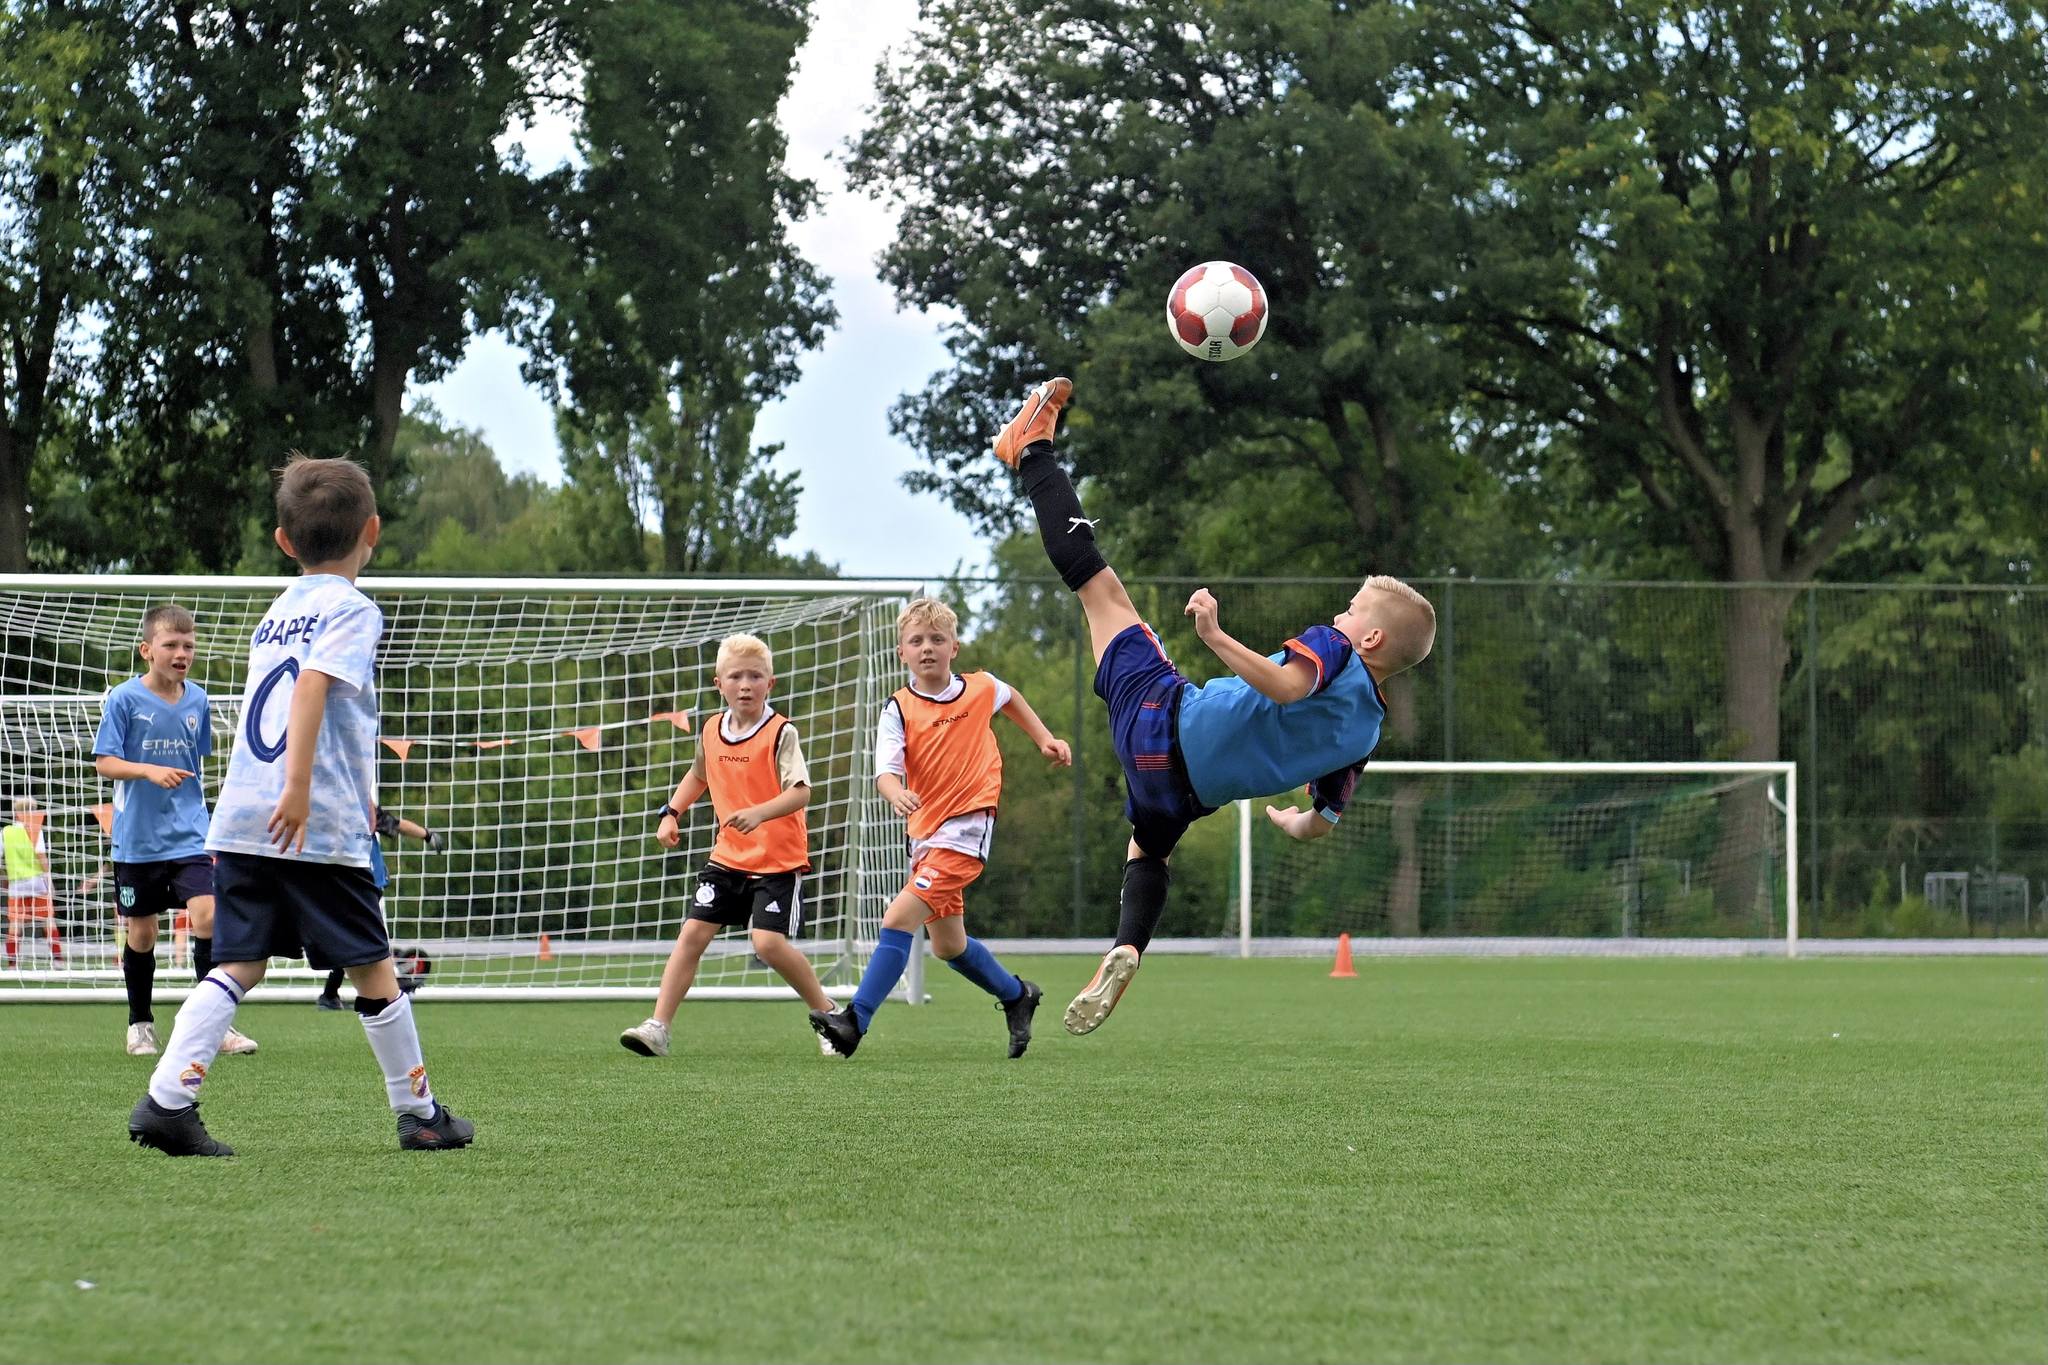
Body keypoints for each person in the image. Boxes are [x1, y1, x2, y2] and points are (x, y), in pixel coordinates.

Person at [993, 377, 1437, 1034]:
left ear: (1369, 636)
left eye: (1350, 610)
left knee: (1100, 588)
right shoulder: (1367, 732)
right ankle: (1126, 947)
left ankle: (1032, 451)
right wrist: (1289, 821)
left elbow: (1288, 686)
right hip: (1185, 794)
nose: (1340, 615)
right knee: (1147, 851)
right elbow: (1323, 822)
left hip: (1164, 720)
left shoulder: (1336, 650)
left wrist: (1215, 635)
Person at [127, 453, 472, 1157]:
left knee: (239, 963)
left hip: (243, 819)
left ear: (285, 542)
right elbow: (312, 686)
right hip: (313, 822)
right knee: (373, 963)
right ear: (371, 530)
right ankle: (419, 1112)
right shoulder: (353, 608)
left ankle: (167, 1100)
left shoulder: (274, 613)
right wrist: (299, 786)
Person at [807, 597, 1071, 1059]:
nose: (926, 647)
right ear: (901, 652)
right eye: (916, 641)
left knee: (896, 919)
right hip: (926, 836)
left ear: (955, 647)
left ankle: (854, 1022)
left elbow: (1012, 699)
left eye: (936, 639)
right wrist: (895, 794)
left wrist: (1045, 738)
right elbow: (885, 772)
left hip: (968, 827)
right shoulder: (899, 708)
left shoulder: (980, 688)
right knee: (949, 945)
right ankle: (1016, 996)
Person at [620, 634, 839, 1058]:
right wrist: (671, 813)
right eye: (735, 676)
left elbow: (801, 793)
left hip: (777, 861)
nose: (745, 685)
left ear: (769, 684)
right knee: (692, 935)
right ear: (718, 683)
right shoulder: (710, 730)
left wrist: (759, 813)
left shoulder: (781, 733)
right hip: (727, 858)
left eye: (755, 676)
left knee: (768, 945)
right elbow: (699, 775)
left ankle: (829, 1016)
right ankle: (658, 1026)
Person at [92, 603, 258, 1058]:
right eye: (171, 645)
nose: (181, 652)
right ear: (148, 650)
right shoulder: (124, 699)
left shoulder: (198, 700)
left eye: (188, 645)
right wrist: (147, 771)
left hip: (190, 834)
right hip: (138, 840)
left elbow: (194, 764)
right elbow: (104, 762)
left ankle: (213, 1024)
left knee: (207, 915)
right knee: (142, 932)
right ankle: (140, 1024)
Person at [315, 806, 441, 1009]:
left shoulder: (366, 810)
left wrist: (427, 835)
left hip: (369, 884)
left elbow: (398, 824)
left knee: (353, 938)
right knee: (364, 938)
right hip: (355, 885)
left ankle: (331, 995)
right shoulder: (337, 812)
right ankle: (389, 991)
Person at [4, 797, 60, 967]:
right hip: (36, 880)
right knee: (48, 919)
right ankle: (58, 960)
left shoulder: (6, 832)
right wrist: (49, 881)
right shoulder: (35, 829)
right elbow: (41, 856)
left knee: (16, 923)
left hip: (17, 883)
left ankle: (13, 964)